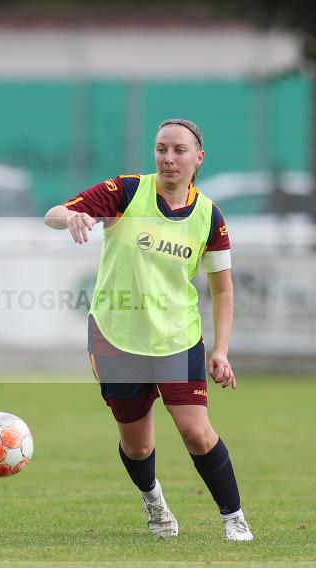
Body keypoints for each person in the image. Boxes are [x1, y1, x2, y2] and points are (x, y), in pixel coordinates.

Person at [44, 119, 253, 541]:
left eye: (178, 151)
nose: (169, 159)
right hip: (116, 337)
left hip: (177, 338)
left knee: (196, 431)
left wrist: (221, 349)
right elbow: (53, 212)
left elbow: (223, 289)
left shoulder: (210, 216)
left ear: (198, 158)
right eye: (161, 149)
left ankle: (233, 518)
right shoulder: (125, 191)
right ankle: (153, 499)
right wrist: (71, 218)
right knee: (138, 446)